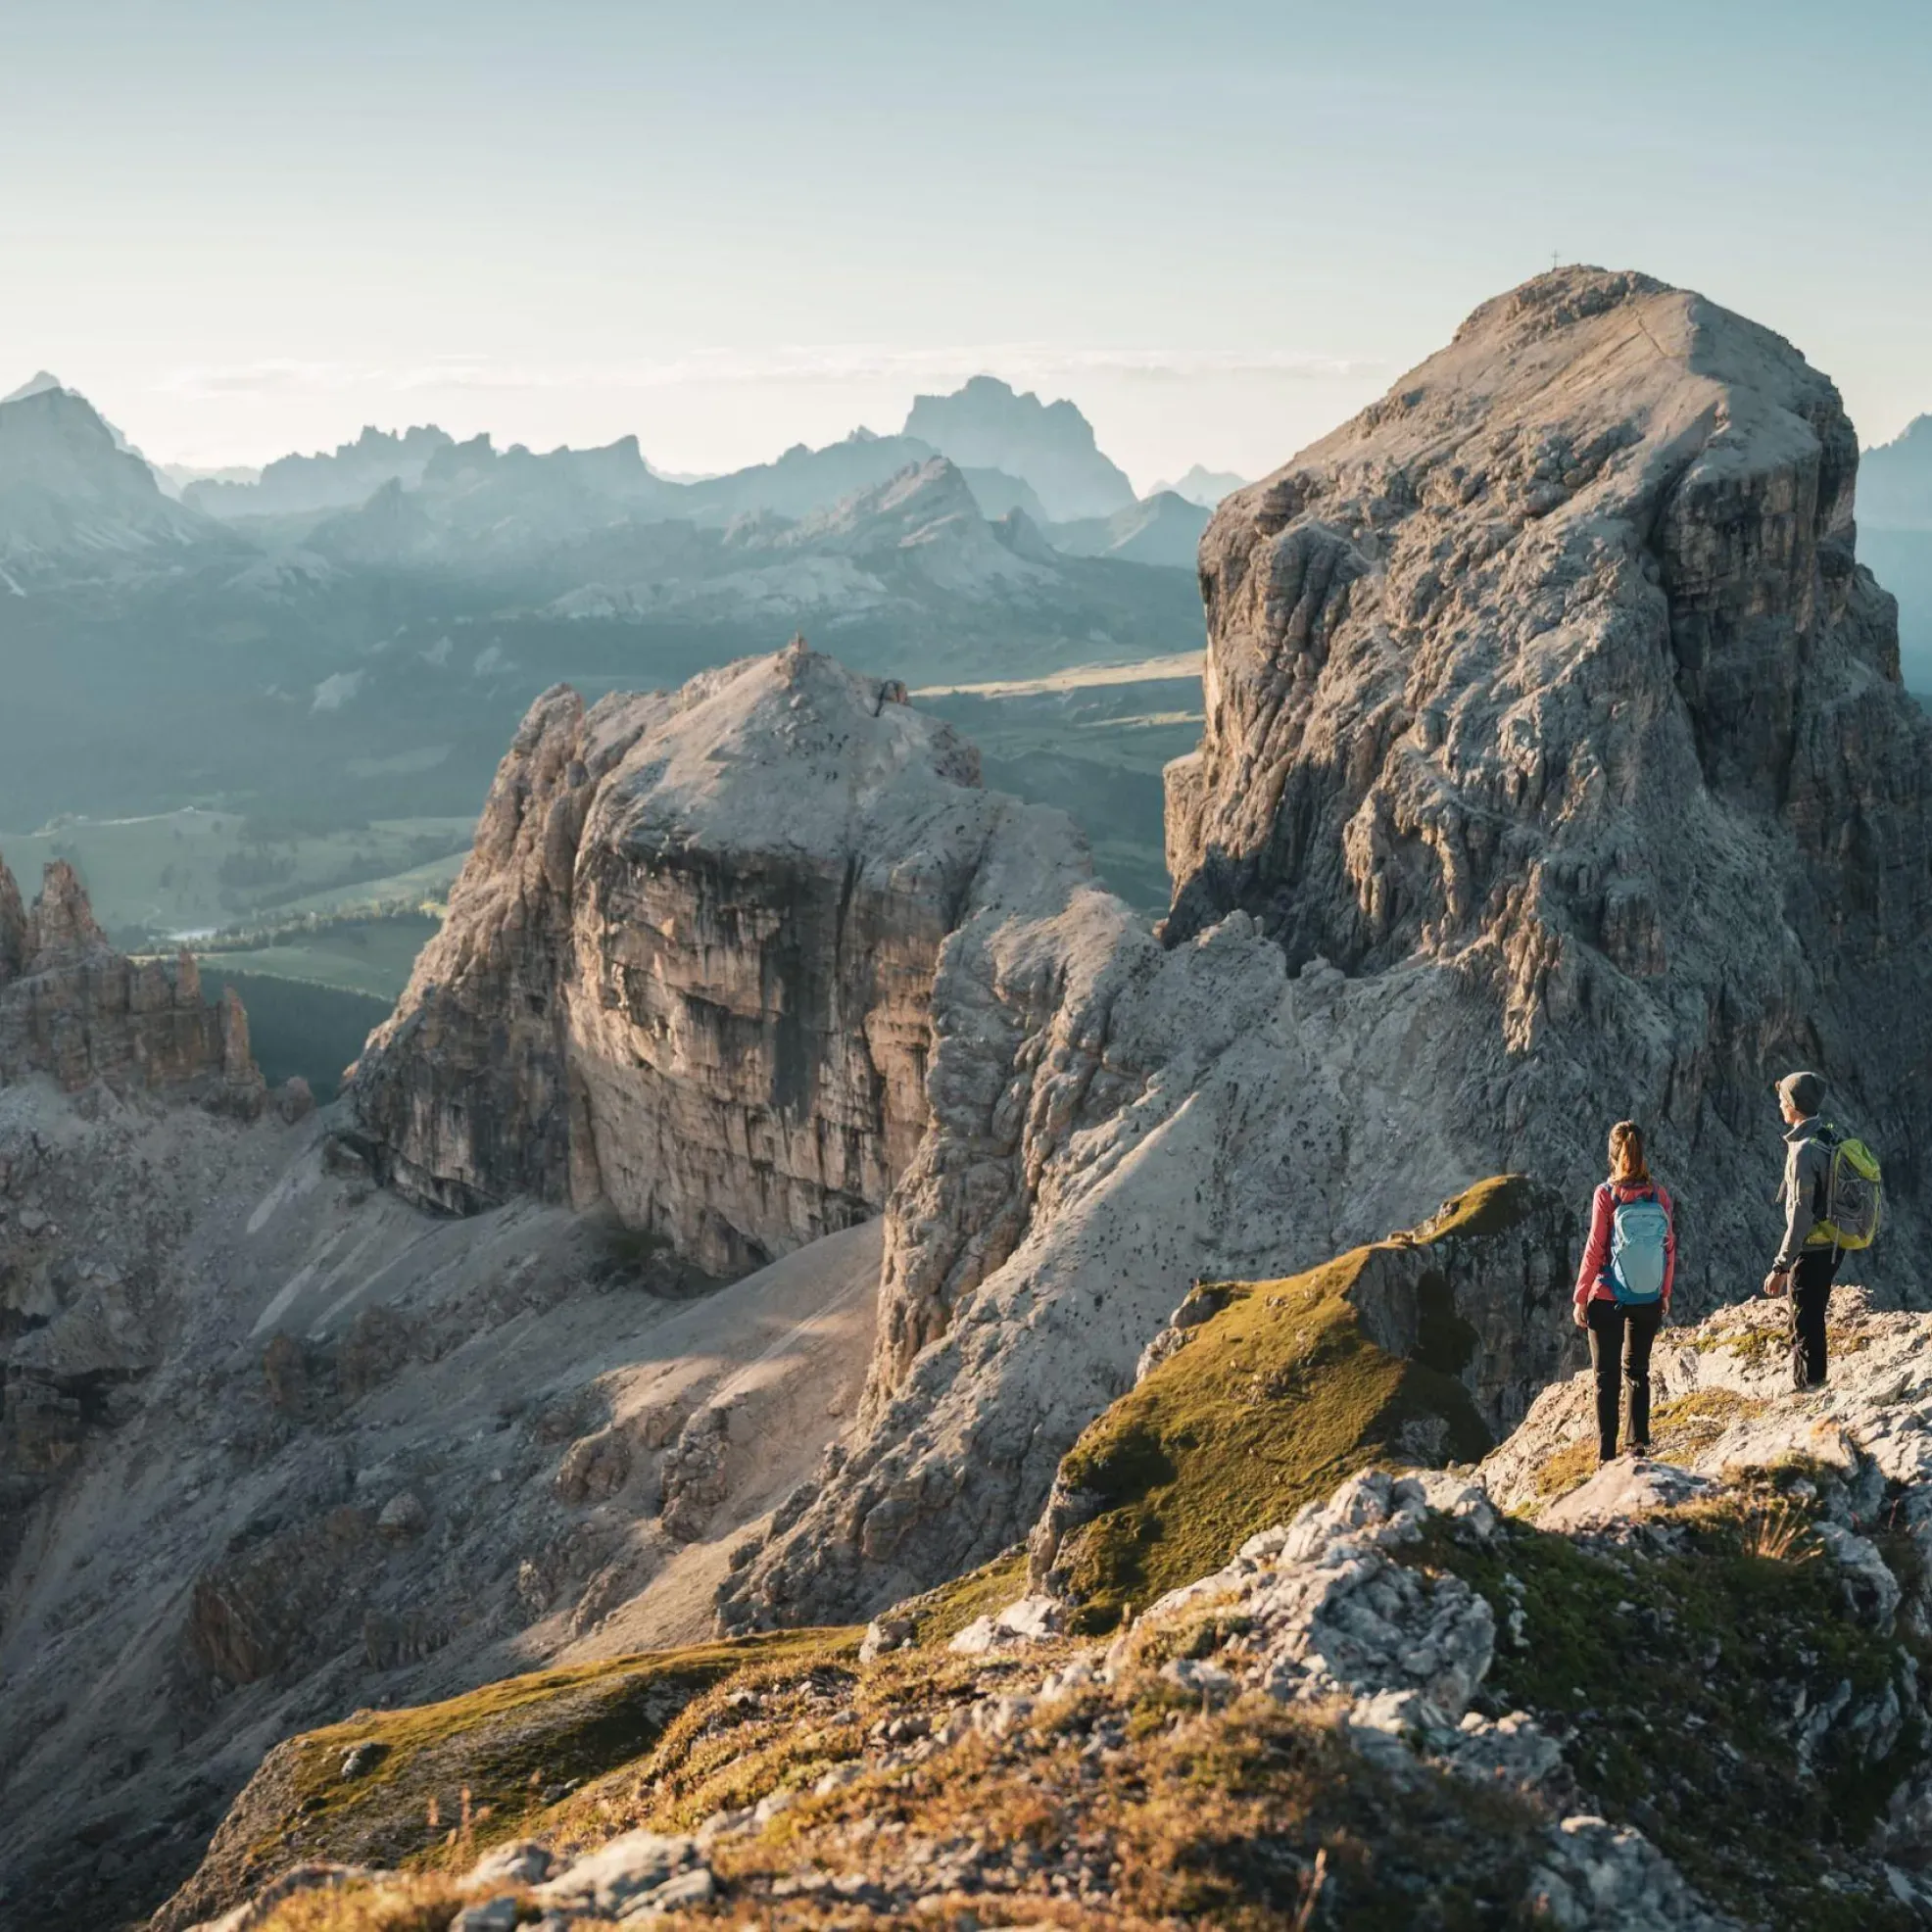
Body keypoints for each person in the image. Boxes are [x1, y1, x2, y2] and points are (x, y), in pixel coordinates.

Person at [1572, 1121, 1676, 1464]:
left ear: (1612, 1153)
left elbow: (1595, 1246)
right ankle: (1638, 1445)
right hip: (1647, 1296)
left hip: (1607, 1296)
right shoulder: (1658, 1195)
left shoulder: (1606, 1194)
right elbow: (1668, 1247)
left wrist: (1581, 1294)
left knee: (1606, 1378)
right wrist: (1663, 1292)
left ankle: (1606, 1456)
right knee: (1638, 1371)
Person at [1764, 1069, 1841, 1388]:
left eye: (1783, 1099)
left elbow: (1799, 1215)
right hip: (1835, 1243)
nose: (1779, 1105)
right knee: (1813, 1316)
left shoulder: (1804, 1150)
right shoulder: (1827, 1136)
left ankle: (1808, 1389)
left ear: (1794, 1105)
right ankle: (1816, 1383)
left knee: (1804, 1322)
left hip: (1811, 1248)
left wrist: (1780, 1266)